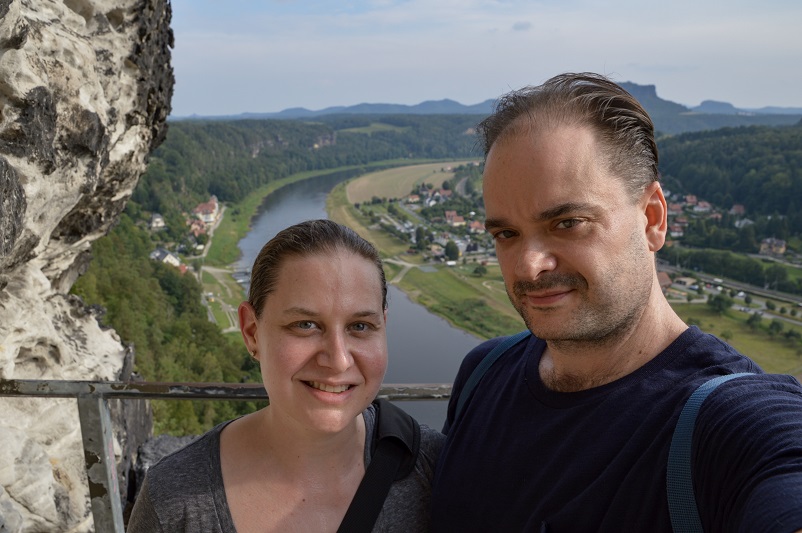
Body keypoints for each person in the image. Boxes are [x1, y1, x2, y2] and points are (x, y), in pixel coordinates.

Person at [430, 73, 802, 532]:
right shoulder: (483, 373)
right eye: (506, 234)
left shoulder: (728, 422)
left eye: (568, 223)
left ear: (652, 218)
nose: (527, 266)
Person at [128, 219, 444, 532]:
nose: (338, 360)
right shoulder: (172, 500)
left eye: (360, 326)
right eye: (305, 325)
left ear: (383, 328)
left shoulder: (435, 468)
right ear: (251, 331)